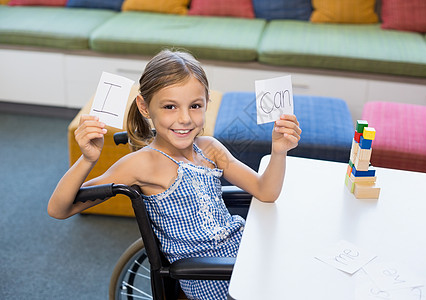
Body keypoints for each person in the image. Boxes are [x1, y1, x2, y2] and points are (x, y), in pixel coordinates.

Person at [48, 49, 301, 299]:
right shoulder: (142, 163)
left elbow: (266, 192)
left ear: (206, 104)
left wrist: (279, 151)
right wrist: (87, 160)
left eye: (195, 106)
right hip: (210, 275)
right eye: (170, 106)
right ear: (145, 108)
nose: (185, 119)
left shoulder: (210, 148)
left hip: (240, 251)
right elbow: (59, 209)